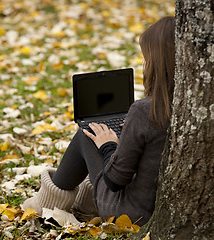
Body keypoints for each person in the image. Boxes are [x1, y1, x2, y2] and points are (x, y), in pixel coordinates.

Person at [22, 16, 175, 226]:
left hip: (128, 214)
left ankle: (44, 203)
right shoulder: (190, 106)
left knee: (89, 133)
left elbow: (115, 180)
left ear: (156, 63)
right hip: (159, 206)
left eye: (146, 58)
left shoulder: (144, 110)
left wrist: (109, 145)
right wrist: (128, 137)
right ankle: (85, 201)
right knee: (101, 134)